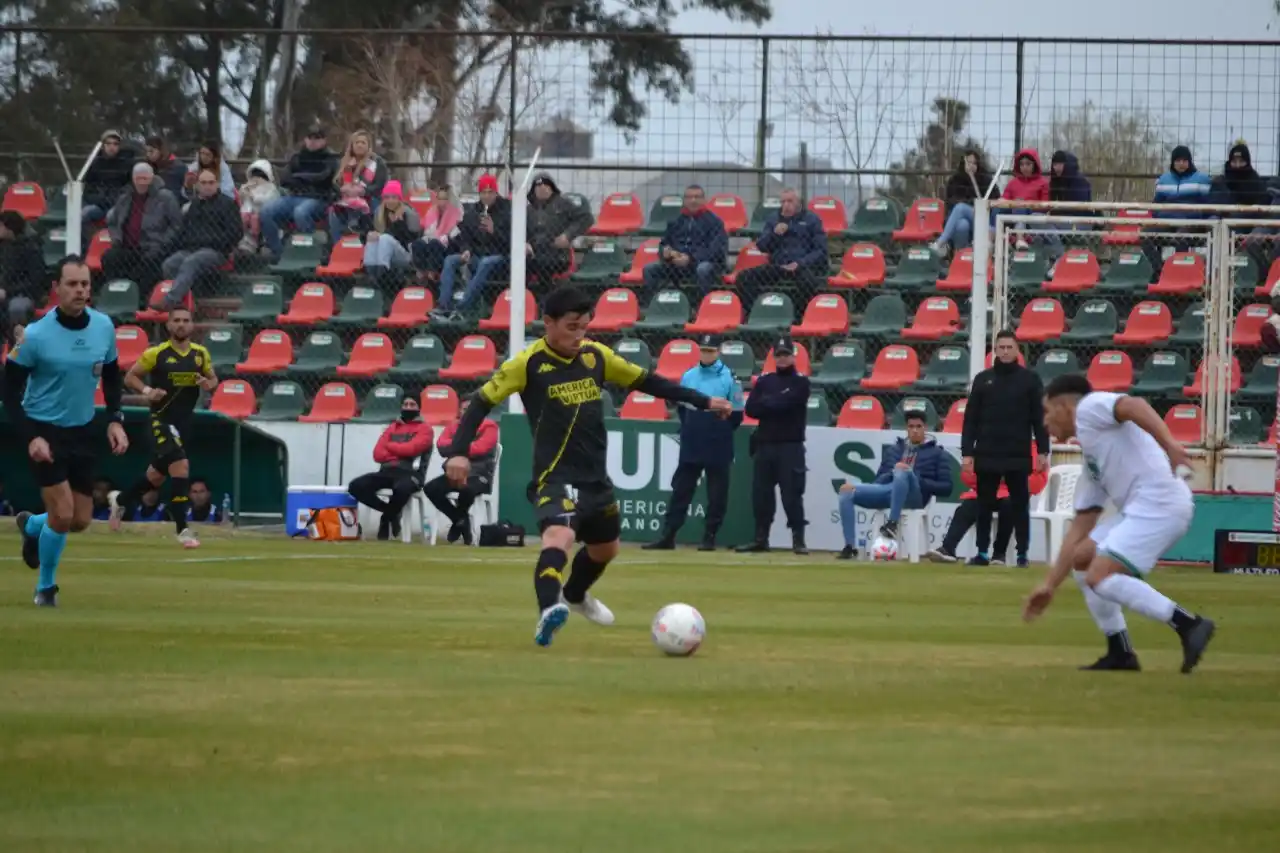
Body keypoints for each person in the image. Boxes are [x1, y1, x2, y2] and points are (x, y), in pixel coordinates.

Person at [441, 285, 731, 647]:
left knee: (605, 550)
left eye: (585, 327)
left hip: (595, 478)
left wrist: (703, 401)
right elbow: (481, 403)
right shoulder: (527, 364)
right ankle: (549, 610)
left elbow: (648, 382)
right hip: (555, 476)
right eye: (571, 327)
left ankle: (575, 595)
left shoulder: (597, 356)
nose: (579, 335)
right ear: (548, 322)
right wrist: (458, 451)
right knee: (559, 537)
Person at [1024, 374, 1216, 673]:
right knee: (1083, 559)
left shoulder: (1089, 407)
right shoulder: (1093, 454)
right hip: (1142, 508)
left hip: (1160, 504)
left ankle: (1189, 625)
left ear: (1065, 407)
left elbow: (1133, 405)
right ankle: (1120, 651)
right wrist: (1050, 586)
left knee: (1099, 575)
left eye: (1048, 411)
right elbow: (1080, 527)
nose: (1045, 422)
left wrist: (1170, 444)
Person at [4, 256, 129, 607]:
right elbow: (9, 392)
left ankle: (31, 527)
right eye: (72, 284)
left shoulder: (103, 327)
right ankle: (45, 589)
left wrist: (115, 420)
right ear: (56, 288)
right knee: (61, 515)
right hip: (44, 430)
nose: (80, 290)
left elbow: (111, 374)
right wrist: (31, 436)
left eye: (85, 284)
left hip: (84, 430)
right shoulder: (35, 336)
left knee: (80, 519)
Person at [110, 306, 217, 548]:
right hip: (161, 420)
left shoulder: (200, 354)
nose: (181, 324)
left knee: (156, 477)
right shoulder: (156, 354)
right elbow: (130, 377)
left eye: (185, 320)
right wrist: (148, 391)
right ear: (168, 325)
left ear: (192, 325)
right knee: (181, 466)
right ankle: (182, 529)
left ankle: (122, 500)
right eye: (176, 320)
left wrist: (207, 383)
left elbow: (213, 379)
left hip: (184, 423)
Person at [643, 333, 744, 552]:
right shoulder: (689, 375)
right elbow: (682, 408)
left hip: (718, 440)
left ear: (718, 352)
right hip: (692, 440)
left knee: (717, 493)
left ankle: (709, 536)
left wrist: (718, 428)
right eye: (704, 350)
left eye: (710, 351)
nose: (706, 354)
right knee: (681, 489)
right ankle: (668, 535)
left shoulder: (730, 378)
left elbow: (737, 415)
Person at [962, 330, 1049, 567]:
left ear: (1017, 350)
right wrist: (967, 452)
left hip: (1017, 453)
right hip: (987, 452)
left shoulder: (1030, 380)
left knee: (1020, 506)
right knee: (984, 505)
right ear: (995, 350)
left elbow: (1039, 418)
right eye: (1001, 348)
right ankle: (982, 552)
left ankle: (1022, 554)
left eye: (1010, 347)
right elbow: (971, 419)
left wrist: (1043, 450)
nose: (1005, 352)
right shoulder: (983, 379)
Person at [835, 410, 952, 559]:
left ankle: (892, 523)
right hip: (888, 491)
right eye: (911, 427)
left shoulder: (937, 453)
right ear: (906, 429)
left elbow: (946, 488)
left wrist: (918, 479)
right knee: (846, 491)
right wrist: (889, 476)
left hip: (915, 496)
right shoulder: (894, 450)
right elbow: (878, 481)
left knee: (901, 469)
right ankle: (849, 547)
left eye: (919, 427)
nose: (915, 430)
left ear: (925, 428)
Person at [737, 336, 810, 555]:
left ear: (793, 356)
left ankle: (798, 540)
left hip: (790, 446)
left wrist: (768, 402)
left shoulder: (801, 382)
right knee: (762, 495)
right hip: (765, 444)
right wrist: (775, 402)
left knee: (792, 495)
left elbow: (788, 404)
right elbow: (751, 409)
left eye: (786, 354)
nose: (782, 359)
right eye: (778, 355)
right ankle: (761, 538)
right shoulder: (765, 381)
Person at [927, 450, 1048, 564]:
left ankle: (999, 554)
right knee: (968, 506)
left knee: (1009, 504)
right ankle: (948, 548)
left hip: (1013, 494)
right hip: (987, 491)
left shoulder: (1032, 448)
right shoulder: (987, 443)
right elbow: (967, 476)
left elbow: (1038, 481)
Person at [347, 396, 435, 540]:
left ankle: (386, 519)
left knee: (402, 488)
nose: (407, 407)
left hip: (411, 473)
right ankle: (391, 514)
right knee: (356, 486)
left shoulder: (425, 429)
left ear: (419, 408)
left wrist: (390, 447)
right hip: (387, 471)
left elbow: (412, 450)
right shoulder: (393, 427)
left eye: (412, 404)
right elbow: (377, 454)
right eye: (405, 404)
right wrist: (399, 452)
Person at [433, 174, 511, 319]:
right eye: (483, 192)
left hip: (500, 258)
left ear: (496, 192)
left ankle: (462, 307)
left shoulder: (507, 210)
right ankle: (443, 306)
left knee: (486, 262)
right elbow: (464, 237)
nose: (487, 196)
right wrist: (466, 250)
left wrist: (494, 231)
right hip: (477, 255)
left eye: (490, 192)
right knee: (450, 260)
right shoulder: (473, 211)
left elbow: (511, 242)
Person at [425, 399, 499, 545]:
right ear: (459, 411)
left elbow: (480, 449)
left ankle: (458, 522)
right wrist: (463, 447)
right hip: (454, 473)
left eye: (471, 408)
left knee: (467, 490)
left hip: (479, 474)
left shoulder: (489, 426)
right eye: (464, 409)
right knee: (430, 488)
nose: (468, 412)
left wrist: (456, 447)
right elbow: (441, 446)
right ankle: (460, 520)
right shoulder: (453, 427)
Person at [640, 184, 728, 304]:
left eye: (697, 197)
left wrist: (690, 258)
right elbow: (664, 244)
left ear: (704, 200)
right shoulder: (676, 220)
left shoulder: (715, 222)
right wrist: (666, 253)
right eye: (689, 197)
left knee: (703, 269)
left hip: (702, 263)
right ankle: (652, 306)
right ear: (684, 200)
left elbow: (715, 251)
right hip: (676, 264)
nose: (693, 200)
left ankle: (701, 308)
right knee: (649, 269)